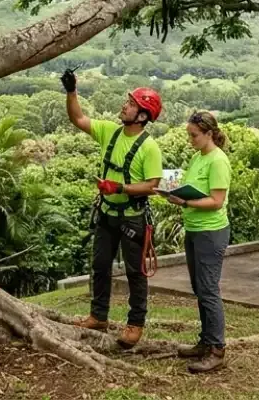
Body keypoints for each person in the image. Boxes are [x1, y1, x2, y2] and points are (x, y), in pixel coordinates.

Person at [61, 68, 163, 348]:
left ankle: (135, 323)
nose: (124, 105)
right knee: (100, 265)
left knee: (135, 272)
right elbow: (78, 118)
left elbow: (152, 185)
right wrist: (71, 91)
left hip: (132, 219)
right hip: (107, 214)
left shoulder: (149, 147)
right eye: (127, 101)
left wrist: (119, 188)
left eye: (130, 104)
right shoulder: (110, 132)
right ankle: (98, 316)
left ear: (142, 116)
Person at [167, 110, 231, 373]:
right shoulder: (197, 158)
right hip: (194, 229)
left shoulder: (218, 161)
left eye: (194, 135)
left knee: (208, 290)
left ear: (208, 133)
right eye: (189, 135)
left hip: (210, 232)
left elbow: (216, 201)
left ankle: (217, 349)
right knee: (199, 288)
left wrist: (186, 202)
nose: (190, 139)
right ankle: (205, 342)